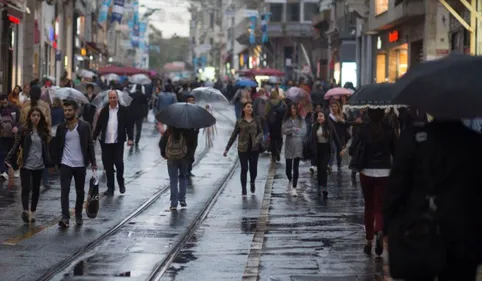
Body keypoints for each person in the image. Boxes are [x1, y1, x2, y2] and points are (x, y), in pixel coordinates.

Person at [385, 119, 482, 281]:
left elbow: (396, 186)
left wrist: (389, 224)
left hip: (419, 227)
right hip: (463, 234)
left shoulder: (413, 138)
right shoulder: (474, 142)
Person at [349, 108, 396, 256]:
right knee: (380, 206)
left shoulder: (363, 130)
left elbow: (352, 150)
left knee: (369, 206)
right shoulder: (389, 130)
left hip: (366, 172)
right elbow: (397, 151)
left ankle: (369, 240)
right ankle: (380, 230)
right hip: (385, 172)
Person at [55, 100, 97, 227]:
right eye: (65, 110)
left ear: (76, 111)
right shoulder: (61, 127)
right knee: (64, 190)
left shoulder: (84, 126)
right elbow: (57, 146)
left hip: (80, 164)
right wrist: (56, 163)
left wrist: (93, 162)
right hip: (65, 163)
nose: (67, 113)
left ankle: (78, 214)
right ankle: (65, 217)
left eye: (69, 110)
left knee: (80, 192)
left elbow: (90, 144)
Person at [5, 107, 51, 223]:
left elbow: (46, 150)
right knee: (26, 188)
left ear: (41, 118)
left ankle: (33, 212)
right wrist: (9, 159)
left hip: (39, 164)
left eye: (38, 116)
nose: (36, 117)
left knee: (36, 189)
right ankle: (25, 211)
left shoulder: (43, 132)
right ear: (29, 117)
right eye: (33, 115)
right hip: (26, 164)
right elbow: (16, 146)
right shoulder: (24, 131)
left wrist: (51, 162)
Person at [93, 90, 133, 196]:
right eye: (110, 98)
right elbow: (99, 125)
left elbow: (129, 125)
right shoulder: (104, 111)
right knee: (108, 166)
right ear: (108, 99)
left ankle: (121, 182)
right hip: (105, 142)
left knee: (119, 163)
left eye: (114, 97)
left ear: (117, 98)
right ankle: (110, 188)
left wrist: (130, 138)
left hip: (118, 141)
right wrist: (93, 137)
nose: (112, 100)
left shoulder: (124, 110)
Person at [224, 102, 263, 196]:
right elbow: (234, 135)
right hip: (242, 148)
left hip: (254, 148)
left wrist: (257, 139)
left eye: (251, 107)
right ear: (244, 109)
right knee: (244, 169)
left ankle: (252, 182)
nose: (250, 109)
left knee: (253, 170)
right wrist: (227, 148)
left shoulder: (256, 120)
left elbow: (261, 132)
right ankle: (244, 189)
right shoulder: (240, 121)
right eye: (248, 107)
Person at [160, 126, 189, 211]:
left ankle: (174, 203)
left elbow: (161, 143)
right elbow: (192, 144)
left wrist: (164, 154)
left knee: (173, 180)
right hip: (184, 157)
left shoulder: (169, 129)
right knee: (183, 177)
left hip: (171, 158)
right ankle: (182, 199)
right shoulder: (188, 129)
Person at [283, 103, 305, 197]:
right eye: (291, 108)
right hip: (289, 145)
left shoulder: (300, 120)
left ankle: (294, 187)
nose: (293, 110)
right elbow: (284, 131)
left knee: (296, 167)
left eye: (294, 108)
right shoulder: (286, 120)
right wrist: (292, 129)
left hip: (298, 145)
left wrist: (299, 131)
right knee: (288, 169)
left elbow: (304, 130)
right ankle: (290, 179)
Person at [0, 94, 20, 185]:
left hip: (12, 135)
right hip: (2, 136)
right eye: (2, 101)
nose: (4, 102)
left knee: (13, 152)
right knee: (3, 153)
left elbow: (19, 121)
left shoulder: (14, 108)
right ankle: (4, 171)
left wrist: (16, 127)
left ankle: (15, 168)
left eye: (5, 100)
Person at [184, 95, 199, 177]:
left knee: (191, 155)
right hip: (185, 136)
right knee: (185, 154)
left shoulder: (197, 111)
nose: (191, 101)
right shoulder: (184, 111)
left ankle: (189, 170)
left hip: (194, 136)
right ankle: (184, 170)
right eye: (189, 100)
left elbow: (200, 120)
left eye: (192, 100)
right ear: (187, 101)